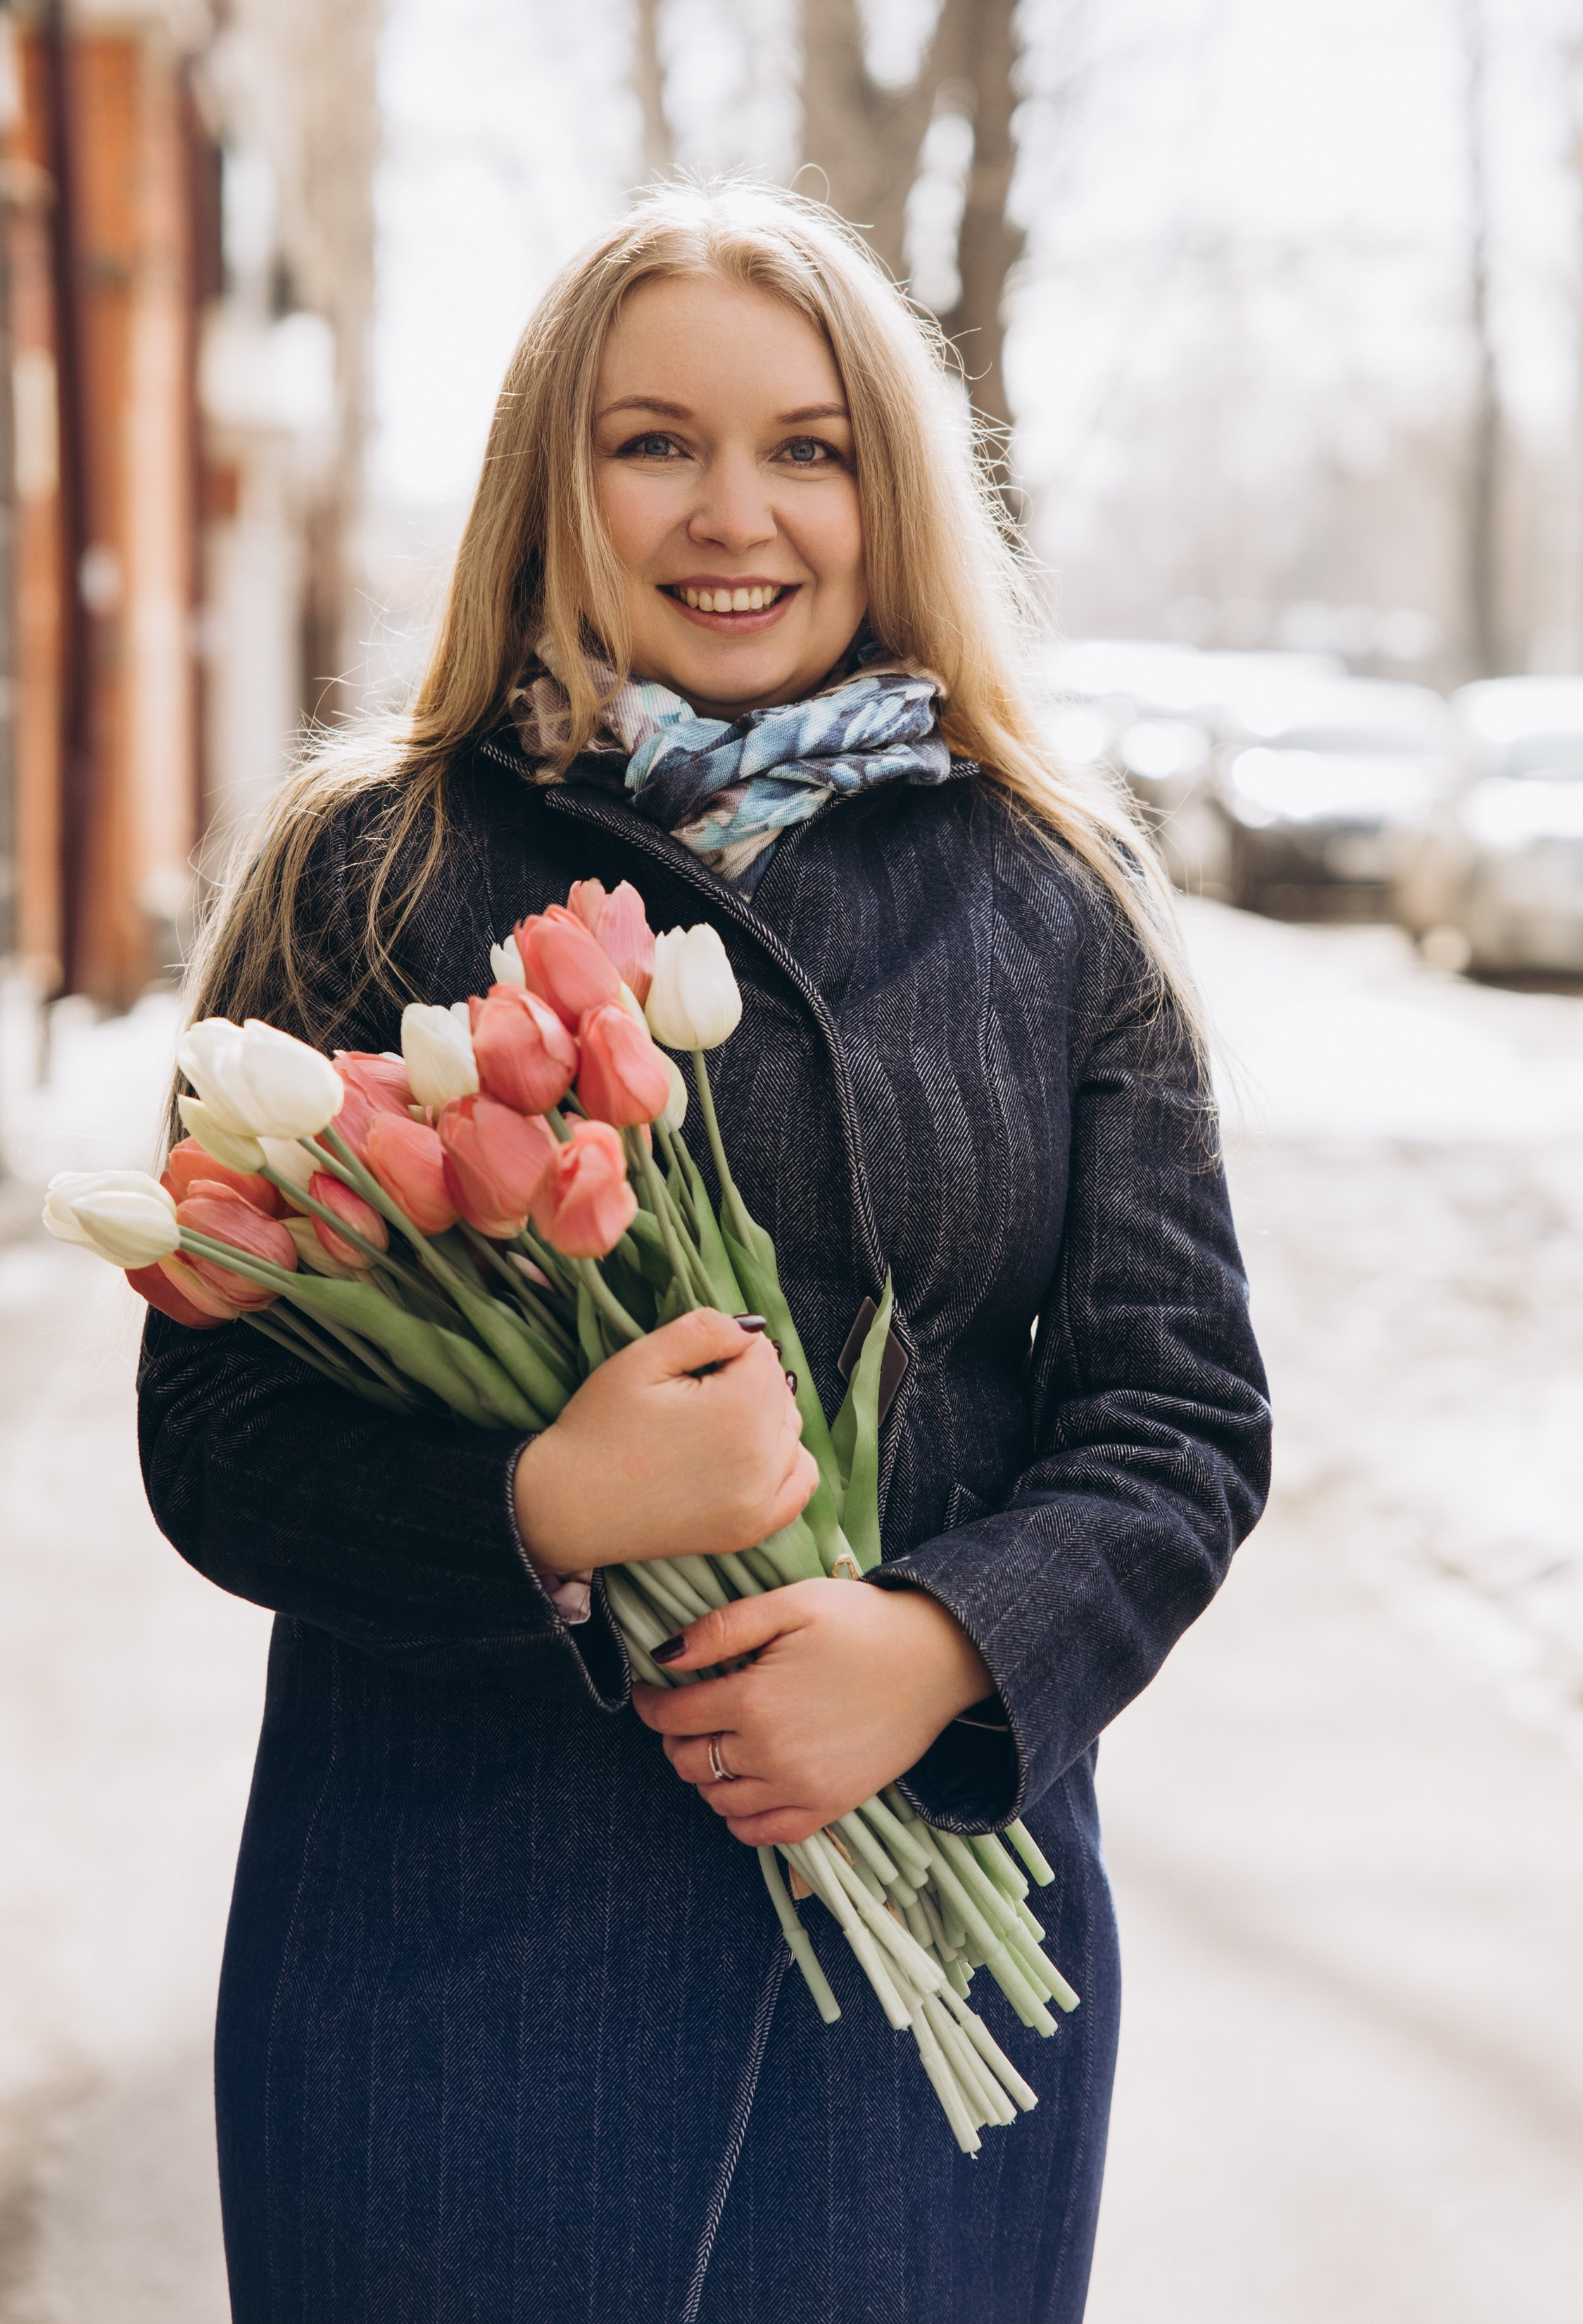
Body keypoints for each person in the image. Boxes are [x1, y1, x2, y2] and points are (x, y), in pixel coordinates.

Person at [138, 180, 1271, 2324]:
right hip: (449, 1964)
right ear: (547, 484)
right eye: (652, 441)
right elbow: (212, 1424)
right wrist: (544, 1503)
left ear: (893, 490)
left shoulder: (1049, 892)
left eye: (808, 446)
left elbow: (1180, 1421)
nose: (731, 512)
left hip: (933, 1956)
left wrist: (944, 1650)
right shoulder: (370, 875)